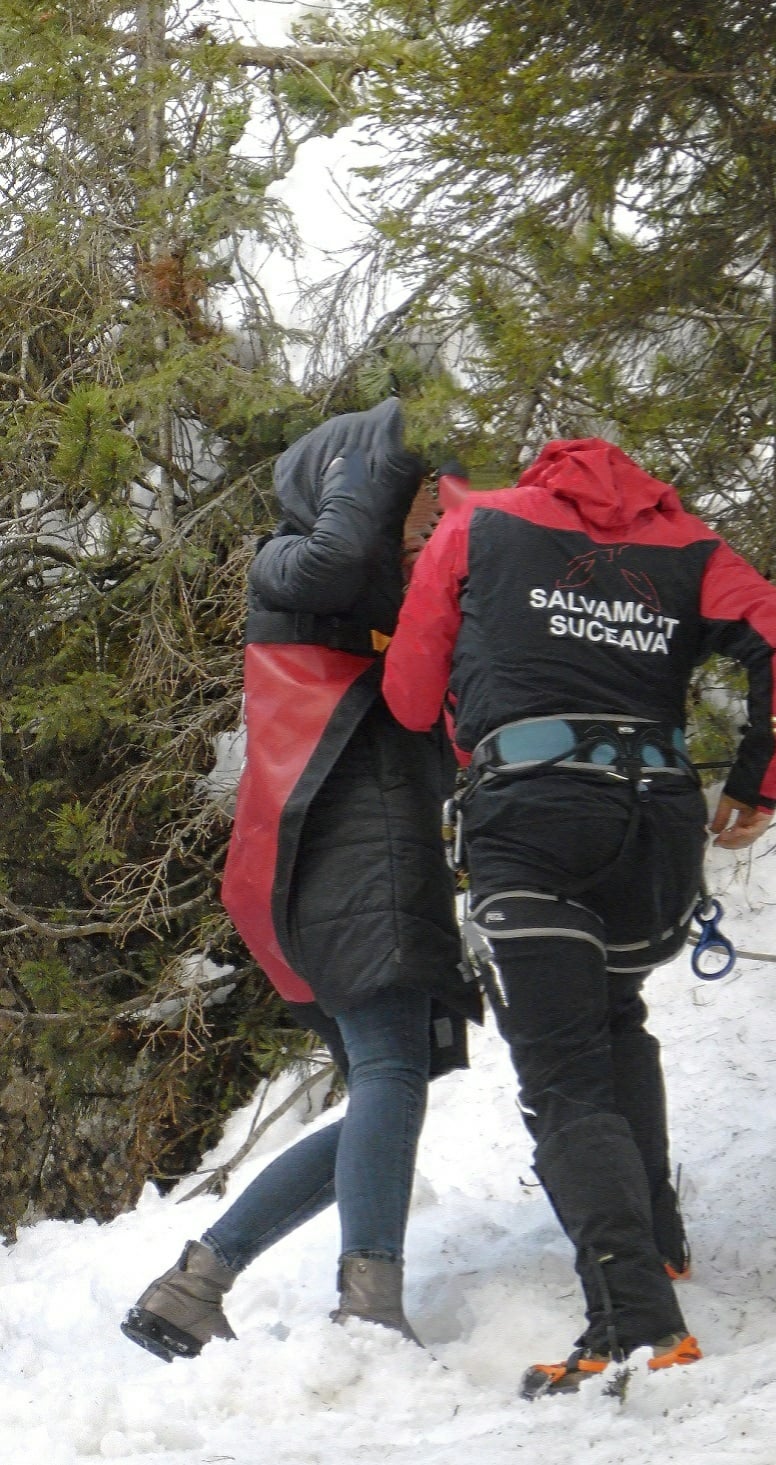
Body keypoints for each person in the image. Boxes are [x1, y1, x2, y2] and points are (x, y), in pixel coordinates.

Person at [381, 437, 776, 1396]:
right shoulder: (690, 544)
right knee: (614, 1015)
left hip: (531, 815)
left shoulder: (477, 524)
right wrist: (760, 780)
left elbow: (409, 699)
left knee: (565, 1074)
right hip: (655, 824)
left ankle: (635, 1327)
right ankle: (655, 1242)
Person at [122, 400, 480, 1362]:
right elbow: (345, 550)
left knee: (387, 1086)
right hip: (349, 847)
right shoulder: (301, 567)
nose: (434, 522)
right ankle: (368, 1309)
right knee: (392, 1071)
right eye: (423, 501)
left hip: (341, 851)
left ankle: (194, 1284)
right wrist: (380, 446)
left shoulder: (371, 602)